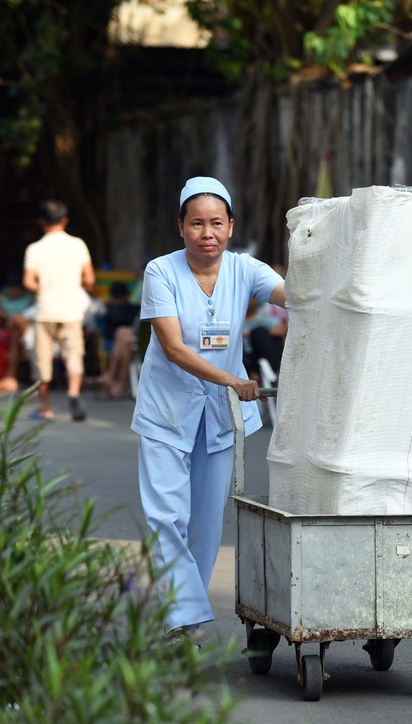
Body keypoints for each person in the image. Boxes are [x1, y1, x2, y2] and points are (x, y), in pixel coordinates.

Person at [133, 176, 285, 643]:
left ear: (231, 226)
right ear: (180, 227)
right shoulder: (160, 272)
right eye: (196, 223)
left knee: (204, 523)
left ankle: (183, 622)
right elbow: (173, 348)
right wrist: (234, 380)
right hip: (167, 410)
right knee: (166, 517)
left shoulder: (245, 269)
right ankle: (182, 615)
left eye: (216, 223)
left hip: (220, 418)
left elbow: (294, 295)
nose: (207, 233)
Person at [23, 200, 95, 421]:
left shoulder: (35, 248)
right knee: (74, 356)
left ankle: (46, 408)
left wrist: (43, 288)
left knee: (42, 361)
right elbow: (89, 280)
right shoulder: (78, 245)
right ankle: (73, 393)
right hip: (71, 311)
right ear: (65, 221)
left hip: (45, 311)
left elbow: (28, 283)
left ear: (42, 222)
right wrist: (75, 287)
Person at [90, 282, 140, 400]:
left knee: (123, 335)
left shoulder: (119, 308)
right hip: (129, 340)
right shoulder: (131, 308)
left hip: (135, 341)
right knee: (122, 333)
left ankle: (116, 378)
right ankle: (117, 380)